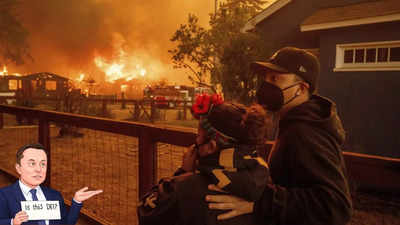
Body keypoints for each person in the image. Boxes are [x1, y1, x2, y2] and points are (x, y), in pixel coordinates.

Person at [205, 47, 353, 225]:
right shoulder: (298, 121)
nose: (266, 84)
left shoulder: (305, 132)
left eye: (275, 78)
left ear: (301, 88)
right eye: (266, 77)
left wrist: (260, 201)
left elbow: (336, 206)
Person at [138, 96, 272, 225]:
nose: (195, 142)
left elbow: (146, 214)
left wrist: (182, 173)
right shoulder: (263, 192)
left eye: (199, 136)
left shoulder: (183, 189)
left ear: (211, 146)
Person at [0, 143, 103, 225]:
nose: (38, 169)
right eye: (32, 163)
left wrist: (76, 201)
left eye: (43, 164)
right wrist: (12, 222)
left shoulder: (54, 195)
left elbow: (66, 223)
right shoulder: (4, 195)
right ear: (18, 168)